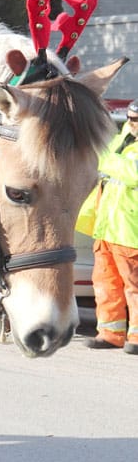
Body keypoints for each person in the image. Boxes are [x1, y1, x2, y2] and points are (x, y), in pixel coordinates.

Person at [81, 99, 138, 353]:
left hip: (129, 230)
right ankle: (110, 333)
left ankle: (136, 338)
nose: (130, 123)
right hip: (107, 228)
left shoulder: (117, 148)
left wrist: (103, 157)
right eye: (129, 118)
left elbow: (131, 173)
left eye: (135, 119)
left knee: (134, 286)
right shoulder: (122, 139)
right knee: (105, 284)